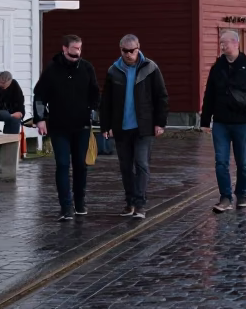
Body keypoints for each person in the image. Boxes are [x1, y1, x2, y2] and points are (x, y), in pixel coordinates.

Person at [99, 35, 169, 220]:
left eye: (133, 50)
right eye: (125, 51)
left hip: (143, 126)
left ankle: (140, 204)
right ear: (120, 49)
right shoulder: (114, 70)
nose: (129, 54)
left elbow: (161, 96)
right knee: (125, 167)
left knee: (142, 164)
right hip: (122, 127)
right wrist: (105, 125)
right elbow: (106, 100)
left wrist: (160, 123)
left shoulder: (150, 68)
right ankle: (129, 202)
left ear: (139, 48)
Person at [34, 35, 101, 221]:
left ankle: (80, 202)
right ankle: (65, 206)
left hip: (82, 126)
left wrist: (93, 111)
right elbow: (39, 95)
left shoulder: (87, 68)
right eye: (73, 50)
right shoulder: (52, 69)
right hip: (58, 126)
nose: (77, 53)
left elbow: (95, 93)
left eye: (79, 49)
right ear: (64, 49)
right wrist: (40, 119)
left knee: (80, 165)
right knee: (63, 164)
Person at [200, 30, 246, 213]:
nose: (222, 46)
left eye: (225, 43)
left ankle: (242, 194)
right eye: (221, 43)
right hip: (221, 122)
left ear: (236, 44)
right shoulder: (217, 67)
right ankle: (225, 197)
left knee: (243, 162)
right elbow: (209, 95)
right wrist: (205, 120)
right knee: (221, 161)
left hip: (242, 122)